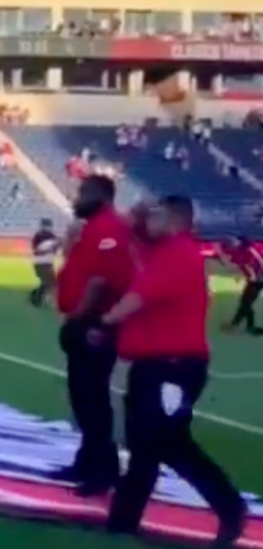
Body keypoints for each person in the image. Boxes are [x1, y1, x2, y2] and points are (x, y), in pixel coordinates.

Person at [89, 196, 245, 545]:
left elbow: (138, 297)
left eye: (155, 214)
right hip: (157, 367)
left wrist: (103, 322)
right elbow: (131, 248)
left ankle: (230, 508)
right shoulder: (170, 253)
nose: (147, 219)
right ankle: (122, 523)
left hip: (170, 368)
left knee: (170, 444)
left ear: (173, 219)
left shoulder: (177, 254)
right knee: (146, 445)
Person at [55, 175, 134, 496]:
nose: (76, 199)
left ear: (100, 195)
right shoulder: (94, 229)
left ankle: (103, 470)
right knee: (83, 396)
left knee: (93, 398)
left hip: (94, 324)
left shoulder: (109, 229)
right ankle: (88, 461)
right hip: (86, 321)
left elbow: (100, 280)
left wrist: (79, 318)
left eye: (83, 193)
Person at [219, 236, 263, 335]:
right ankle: (245, 326)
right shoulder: (246, 250)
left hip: (257, 280)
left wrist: (252, 278)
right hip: (256, 280)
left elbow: (255, 265)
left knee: (246, 303)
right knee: (245, 303)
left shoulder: (243, 253)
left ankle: (241, 326)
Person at [28, 218, 60, 308]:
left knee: (48, 282)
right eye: (46, 225)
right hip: (40, 262)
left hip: (48, 262)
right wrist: (46, 249)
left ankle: (36, 298)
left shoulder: (52, 236)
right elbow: (36, 250)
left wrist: (53, 248)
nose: (47, 228)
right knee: (48, 282)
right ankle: (37, 298)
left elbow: (55, 249)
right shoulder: (38, 236)